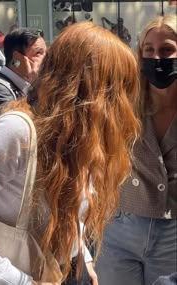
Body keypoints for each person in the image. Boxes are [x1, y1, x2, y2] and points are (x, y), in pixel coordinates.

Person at [0, 22, 141, 284]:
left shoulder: (77, 137)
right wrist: (19, 281)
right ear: (88, 87)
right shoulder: (17, 129)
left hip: (56, 271)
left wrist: (82, 258)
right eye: (117, 88)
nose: (124, 103)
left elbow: (66, 209)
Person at [95, 14, 177, 285]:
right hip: (120, 226)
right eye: (149, 50)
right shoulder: (124, 100)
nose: (157, 58)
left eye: (167, 50)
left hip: (172, 233)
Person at [0, 27, 46, 137]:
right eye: (39, 53)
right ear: (17, 58)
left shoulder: (23, 86)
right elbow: (27, 132)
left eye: (46, 53)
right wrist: (37, 84)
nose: (46, 59)